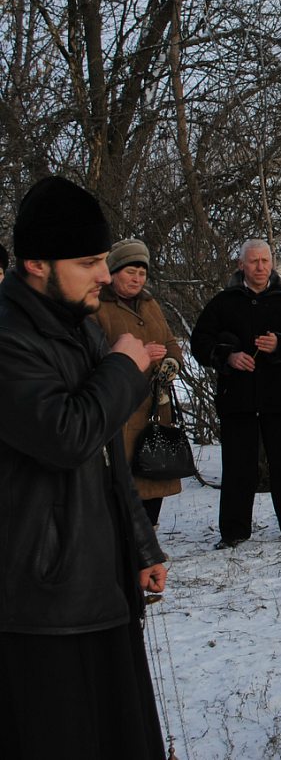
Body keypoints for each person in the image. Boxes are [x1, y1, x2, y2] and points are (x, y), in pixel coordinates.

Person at [0, 176, 168, 758]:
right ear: (35, 264)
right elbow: (66, 435)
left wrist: (139, 544)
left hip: (100, 580)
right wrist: (124, 370)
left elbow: (106, 458)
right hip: (41, 601)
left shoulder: (77, 325)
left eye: (104, 258)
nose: (104, 273)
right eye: (89, 261)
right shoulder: (8, 337)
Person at [191, 238, 281, 549]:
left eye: (264, 261)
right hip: (238, 398)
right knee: (238, 466)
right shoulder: (224, 302)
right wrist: (228, 357)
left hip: (279, 397)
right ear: (241, 265)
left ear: (272, 264)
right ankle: (233, 532)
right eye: (253, 261)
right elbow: (199, 343)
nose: (260, 267)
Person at [90, 238, 184, 528]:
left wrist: (170, 363)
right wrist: (135, 358)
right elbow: (93, 353)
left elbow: (170, 342)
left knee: (155, 473)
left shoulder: (150, 303)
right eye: (131, 272)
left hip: (155, 405)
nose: (137, 279)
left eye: (142, 273)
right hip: (120, 407)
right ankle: (125, 542)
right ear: (114, 271)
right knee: (123, 476)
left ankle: (148, 538)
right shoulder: (97, 307)